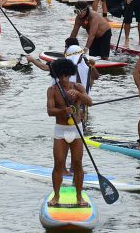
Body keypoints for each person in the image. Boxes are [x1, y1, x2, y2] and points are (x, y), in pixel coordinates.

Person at [46, 58, 93, 207]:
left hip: (76, 129)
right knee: (59, 163)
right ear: (57, 76)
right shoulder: (52, 90)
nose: (63, 79)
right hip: (60, 130)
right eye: (60, 76)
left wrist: (78, 95)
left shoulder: (78, 87)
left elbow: (89, 102)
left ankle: (79, 197)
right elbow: (49, 111)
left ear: (70, 74)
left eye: (66, 76)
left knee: (78, 163)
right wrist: (63, 110)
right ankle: (56, 196)